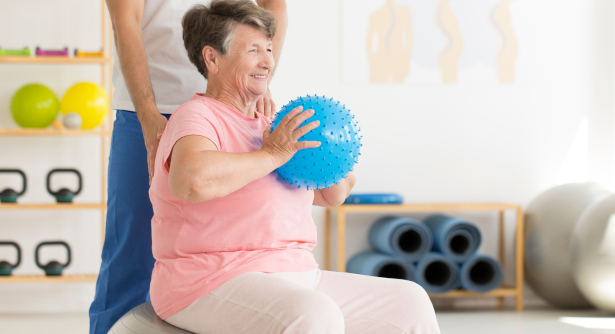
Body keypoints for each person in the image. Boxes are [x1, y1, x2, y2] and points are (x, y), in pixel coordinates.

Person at [148, 1, 441, 333]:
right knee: (313, 314)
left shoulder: (273, 126)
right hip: (209, 279)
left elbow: (332, 196)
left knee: (408, 301)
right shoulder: (198, 116)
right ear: (212, 58)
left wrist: (335, 159)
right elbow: (191, 181)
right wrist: (272, 155)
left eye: (269, 49)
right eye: (253, 50)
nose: (267, 61)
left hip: (298, 275)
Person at [89, 0, 286, 333]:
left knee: (235, 249)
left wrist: (258, 79)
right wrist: (148, 115)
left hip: (234, 105)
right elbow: (126, 22)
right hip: (153, 108)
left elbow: (274, 7)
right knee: (132, 249)